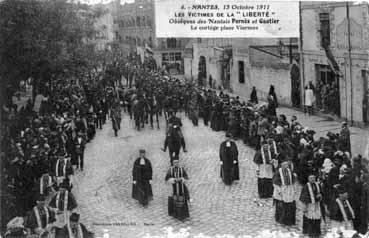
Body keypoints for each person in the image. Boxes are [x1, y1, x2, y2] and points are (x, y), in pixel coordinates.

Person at [273, 160, 297, 226]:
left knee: (290, 205)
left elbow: (293, 180)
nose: (287, 166)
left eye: (287, 165)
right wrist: (279, 191)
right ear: (282, 166)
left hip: (289, 190)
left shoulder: (289, 171)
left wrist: (294, 189)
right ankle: (281, 219)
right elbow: (275, 183)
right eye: (285, 165)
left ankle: (289, 220)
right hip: (281, 189)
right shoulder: (278, 172)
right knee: (281, 206)